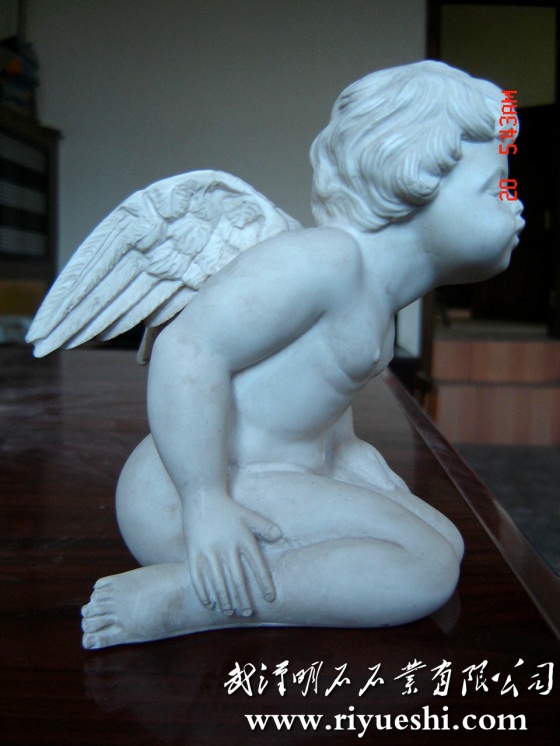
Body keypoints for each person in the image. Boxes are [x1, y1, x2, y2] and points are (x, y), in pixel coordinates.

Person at [80, 61, 524, 648]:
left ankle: (233, 582)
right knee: (428, 566)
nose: (515, 205)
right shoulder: (326, 260)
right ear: (417, 176)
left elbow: (305, 388)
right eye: (496, 188)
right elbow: (189, 347)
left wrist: (347, 451)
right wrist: (205, 502)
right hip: (186, 489)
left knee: (448, 541)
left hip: (275, 476)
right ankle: (188, 599)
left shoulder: (375, 296)